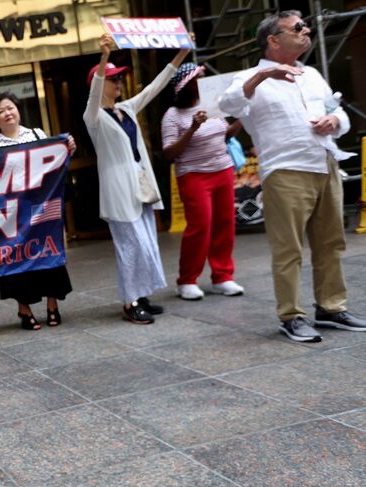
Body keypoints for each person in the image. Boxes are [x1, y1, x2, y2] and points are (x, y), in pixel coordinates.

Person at [219, 10, 366, 342]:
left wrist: (335, 122)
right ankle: (291, 315)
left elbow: (336, 110)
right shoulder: (248, 78)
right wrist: (263, 77)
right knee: (289, 249)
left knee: (331, 242)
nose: (306, 30)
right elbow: (227, 103)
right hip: (285, 170)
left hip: (323, 162)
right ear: (273, 40)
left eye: (305, 26)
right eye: (297, 28)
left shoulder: (311, 74)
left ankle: (331, 308)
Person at [83, 33, 192, 324]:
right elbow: (94, 93)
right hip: (118, 191)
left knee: (147, 242)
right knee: (131, 246)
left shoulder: (126, 108)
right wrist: (104, 56)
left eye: (119, 78)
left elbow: (156, 86)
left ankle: (141, 295)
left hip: (141, 186)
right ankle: (130, 303)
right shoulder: (92, 116)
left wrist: (181, 52)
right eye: (112, 78)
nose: (118, 83)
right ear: (100, 82)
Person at [0, 92, 77, 330]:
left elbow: (53, 165)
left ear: (18, 110)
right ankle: (24, 310)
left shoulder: (37, 135)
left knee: (48, 254)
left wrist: (68, 150)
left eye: (10, 108)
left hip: (41, 208)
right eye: (0, 111)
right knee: (17, 260)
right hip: (12, 215)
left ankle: (53, 304)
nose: (7, 114)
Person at [161, 63, 245, 300]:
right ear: (187, 85)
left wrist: (242, 117)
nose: (206, 80)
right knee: (201, 226)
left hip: (223, 170)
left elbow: (225, 134)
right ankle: (187, 280)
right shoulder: (172, 116)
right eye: (201, 77)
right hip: (194, 175)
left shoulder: (212, 105)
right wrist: (192, 128)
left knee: (225, 223)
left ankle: (222, 276)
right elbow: (169, 153)